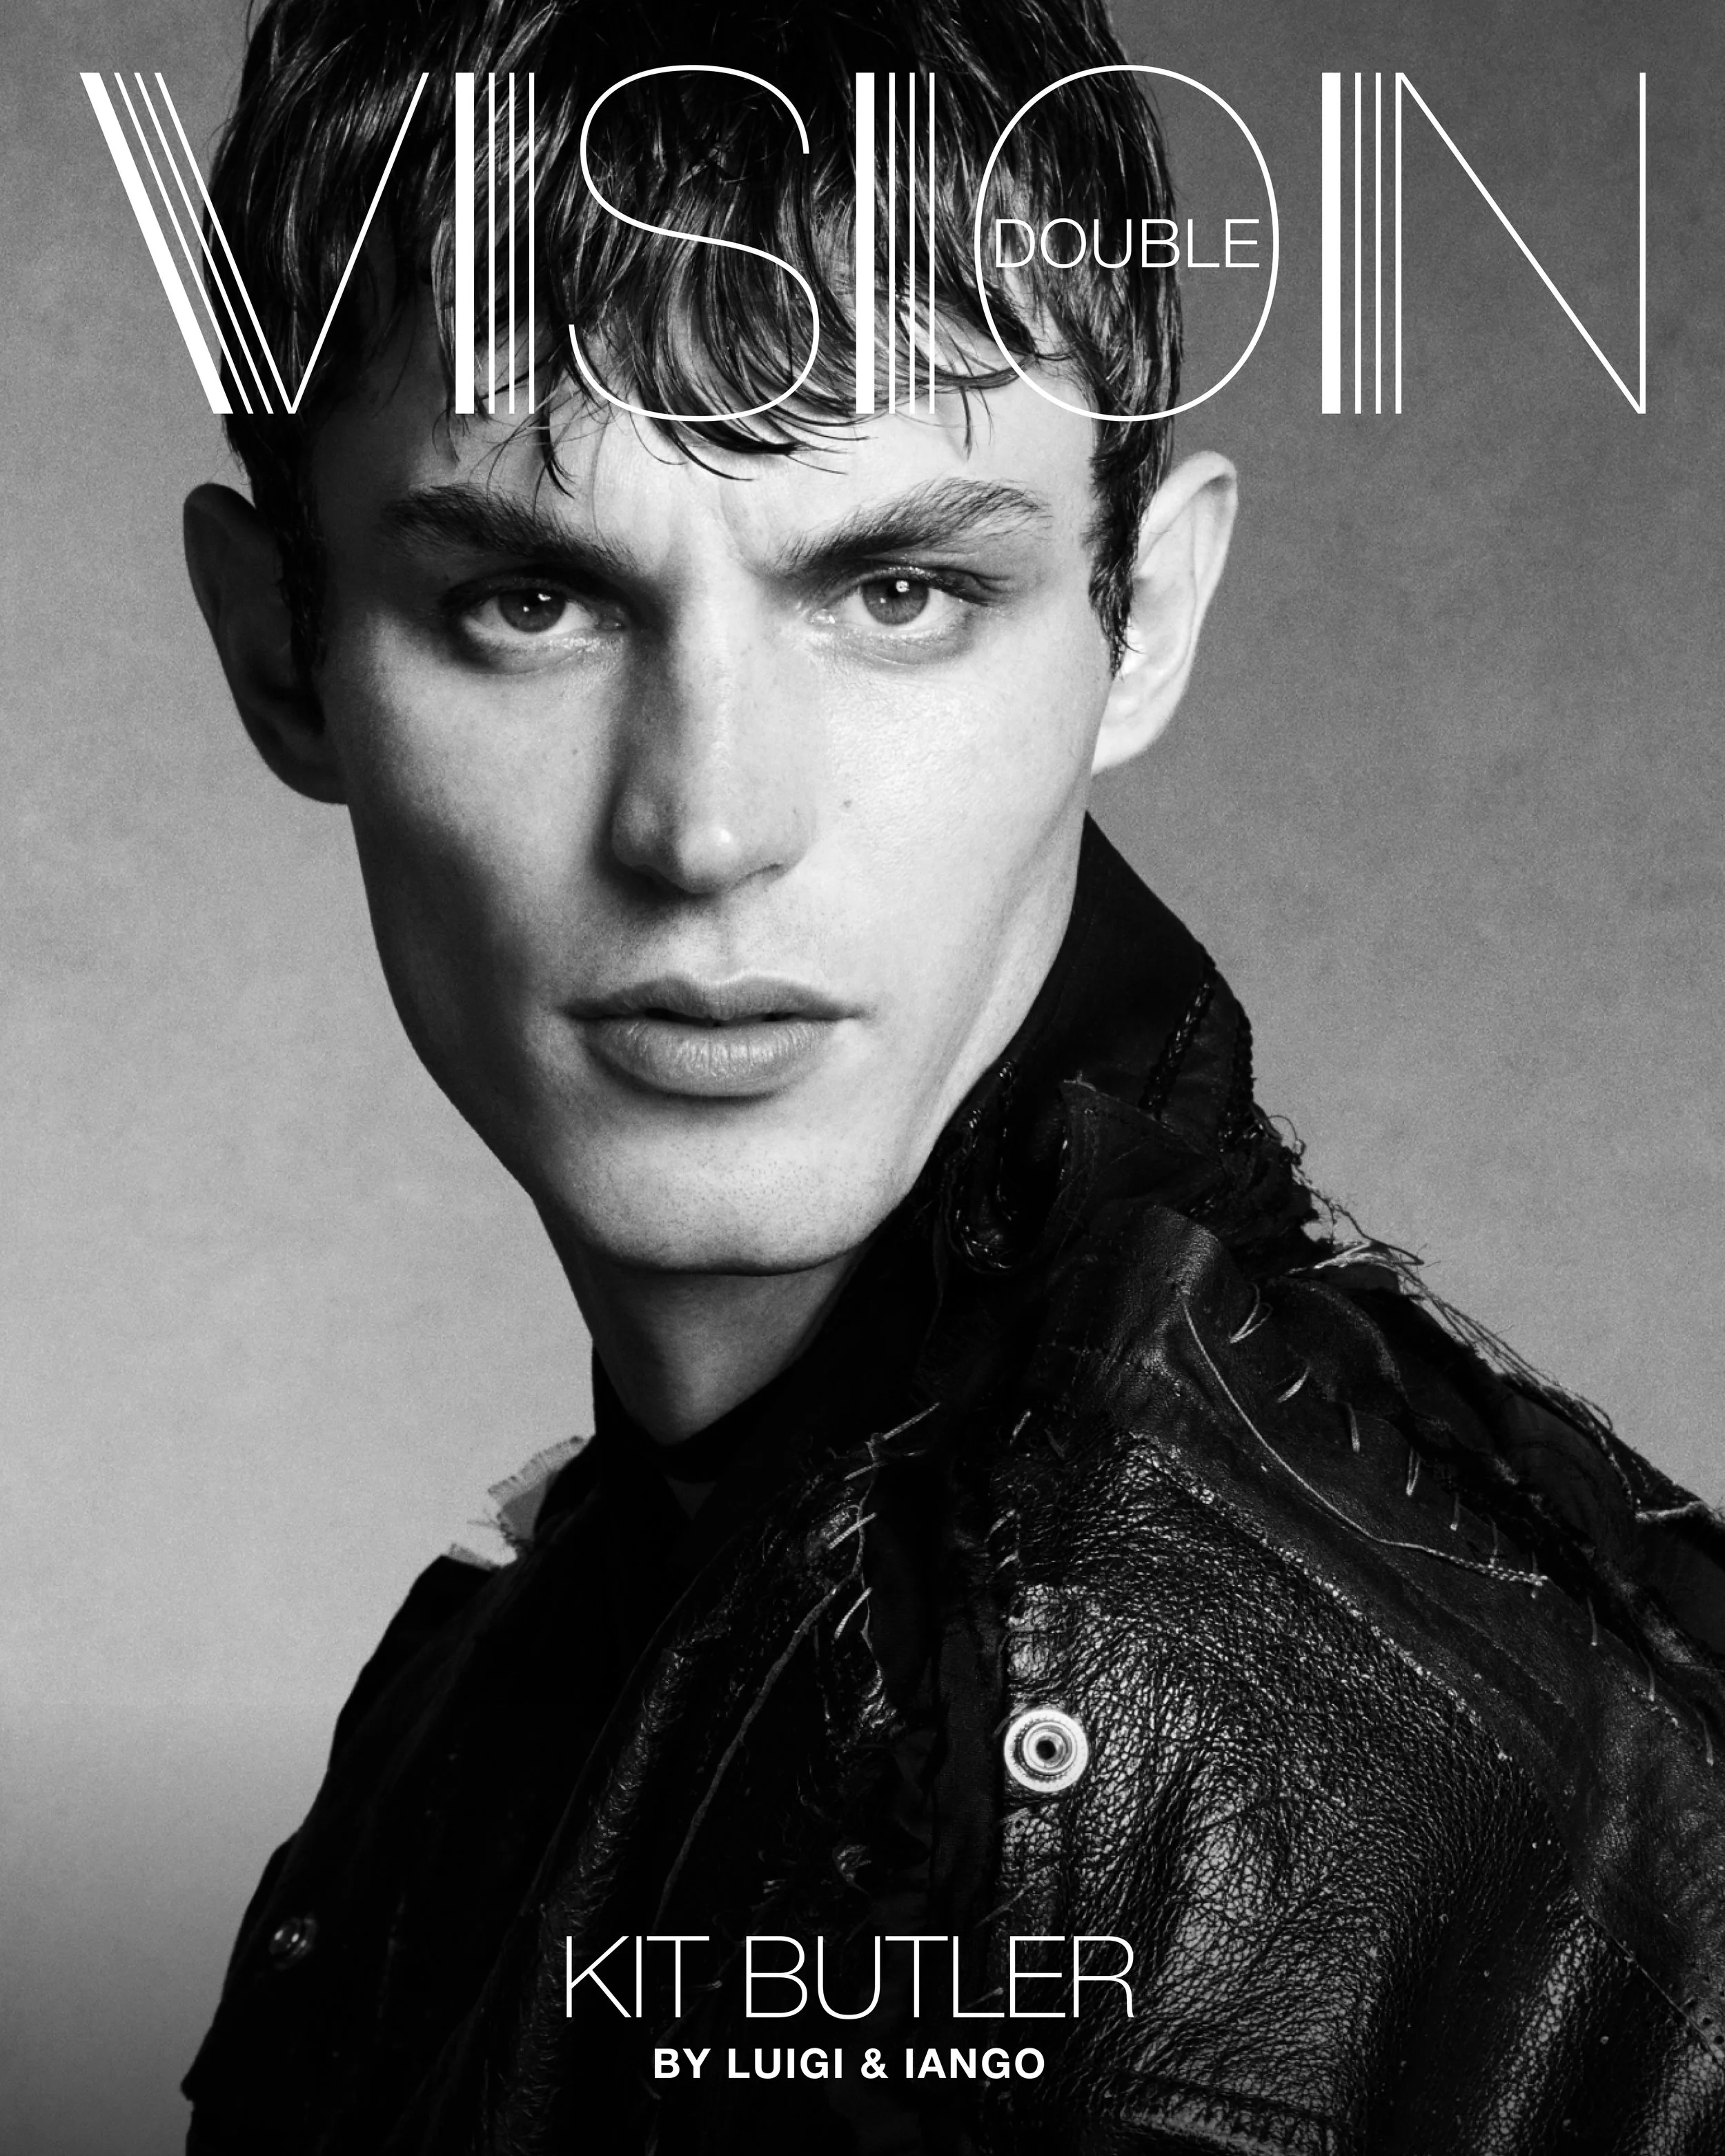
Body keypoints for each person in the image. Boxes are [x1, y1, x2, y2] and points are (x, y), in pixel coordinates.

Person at [177, 0, 1725, 2148]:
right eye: (533, 599)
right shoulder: (563, 1630)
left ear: (1140, 617)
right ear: (283, 650)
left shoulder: (1157, 1735)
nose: (709, 824)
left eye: (897, 589)